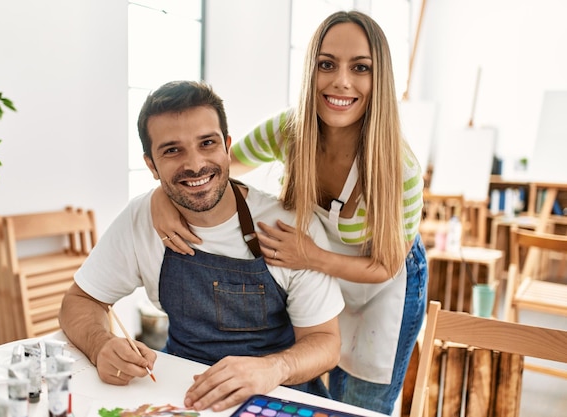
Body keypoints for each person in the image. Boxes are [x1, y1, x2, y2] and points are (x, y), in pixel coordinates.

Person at [150, 11, 428, 416]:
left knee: (358, 402)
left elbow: (386, 265)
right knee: (313, 394)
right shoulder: (290, 130)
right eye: (327, 64)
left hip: (382, 286)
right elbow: (215, 165)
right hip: (318, 272)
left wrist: (311, 257)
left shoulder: (400, 168)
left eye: (361, 68)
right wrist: (161, 194)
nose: (341, 81)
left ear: (379, 78)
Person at [58, 80, 345, 413]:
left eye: (207, 143)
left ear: (227, 146)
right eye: (172, 150)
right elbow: (79, 300)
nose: (194, 164)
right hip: (184, 397)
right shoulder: (140, 219)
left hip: (279, 395)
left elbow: (326, 343)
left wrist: (272, 368)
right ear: (151, 165)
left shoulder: (290, 225)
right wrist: (100, 345)